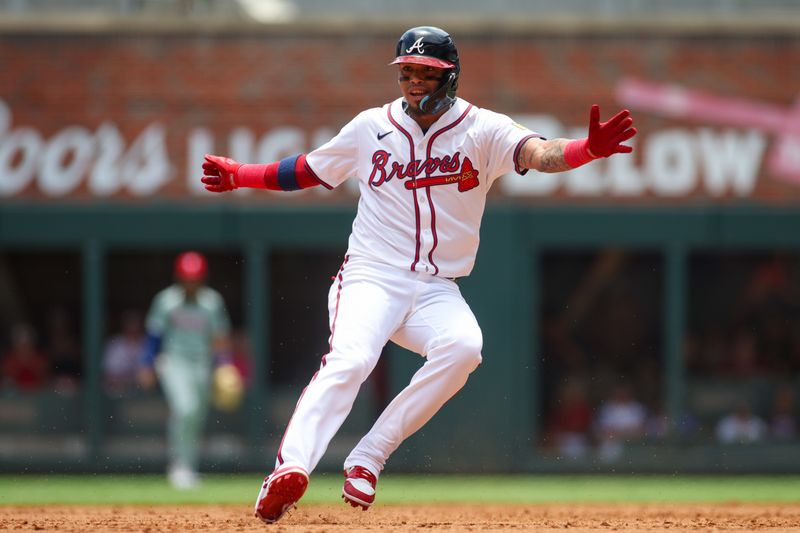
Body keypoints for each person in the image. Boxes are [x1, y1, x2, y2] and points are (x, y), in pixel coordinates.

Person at [201, 26, 636, 523]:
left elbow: (539, 153)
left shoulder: (482, 129)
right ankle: (288, 470)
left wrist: (587, 150)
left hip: (435, 287)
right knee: (352, 358)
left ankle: (369, 456)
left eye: (425, 73)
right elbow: (307, 169)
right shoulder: (371, 126)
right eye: (406, 71)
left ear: (449, 76)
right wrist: (240, 174)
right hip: (371, 276)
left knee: (464, 348)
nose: (412, 81)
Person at [139, 251, 232, 489]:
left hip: (202, 363)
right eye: (187, 277)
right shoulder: (166, 300)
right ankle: (179, 466)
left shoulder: (212, 302)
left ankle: (188, 466)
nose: (191, 282)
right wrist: (147, 364)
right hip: (173, 362)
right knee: (185, 409)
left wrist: (224, 366)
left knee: (196, 417)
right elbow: (154, 335)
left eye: (195, 277)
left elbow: (219, 338)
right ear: (179, 277)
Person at [102, 309, 147, 394]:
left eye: (136, 324)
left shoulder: (148, 344)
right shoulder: (115, 344)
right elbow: (108, 374)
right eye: (130, 324)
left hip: (144, 394)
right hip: (117, 393)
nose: (134, 328)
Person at [1, 322, 50, 392]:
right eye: (20, 343)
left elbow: (46, 381)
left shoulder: (39, 360)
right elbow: (5, 383)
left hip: (37, 395)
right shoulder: (8, 361)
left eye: (27, 343)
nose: (24, 347)